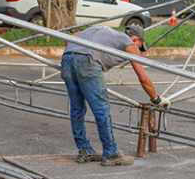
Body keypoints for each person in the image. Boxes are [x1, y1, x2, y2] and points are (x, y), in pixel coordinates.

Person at [61, 25, 170, 166]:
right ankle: (111, 152)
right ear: (136, 38)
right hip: (87, 62)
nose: (138, 51)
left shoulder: (106, 32)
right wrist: (157, 99)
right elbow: (143, 78)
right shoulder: (128, 43)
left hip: (67, 60)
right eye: (140, 47)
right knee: (101, 109)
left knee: (77, 109)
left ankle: (84, 150)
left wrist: (74, 56)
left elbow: (72, 37)